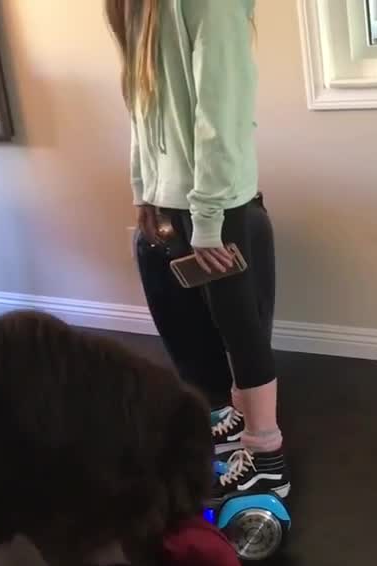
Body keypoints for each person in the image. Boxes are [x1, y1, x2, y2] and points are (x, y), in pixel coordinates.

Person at [106, 0, 288, 499]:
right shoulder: (143, 9)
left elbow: (220, 116)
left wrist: (208, 217)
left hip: (219, 201)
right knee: (201, 325)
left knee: (240, 329)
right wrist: (146, 190)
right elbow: (143, 110)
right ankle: (238, 419)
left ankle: (267, 452)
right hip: (174, 201)